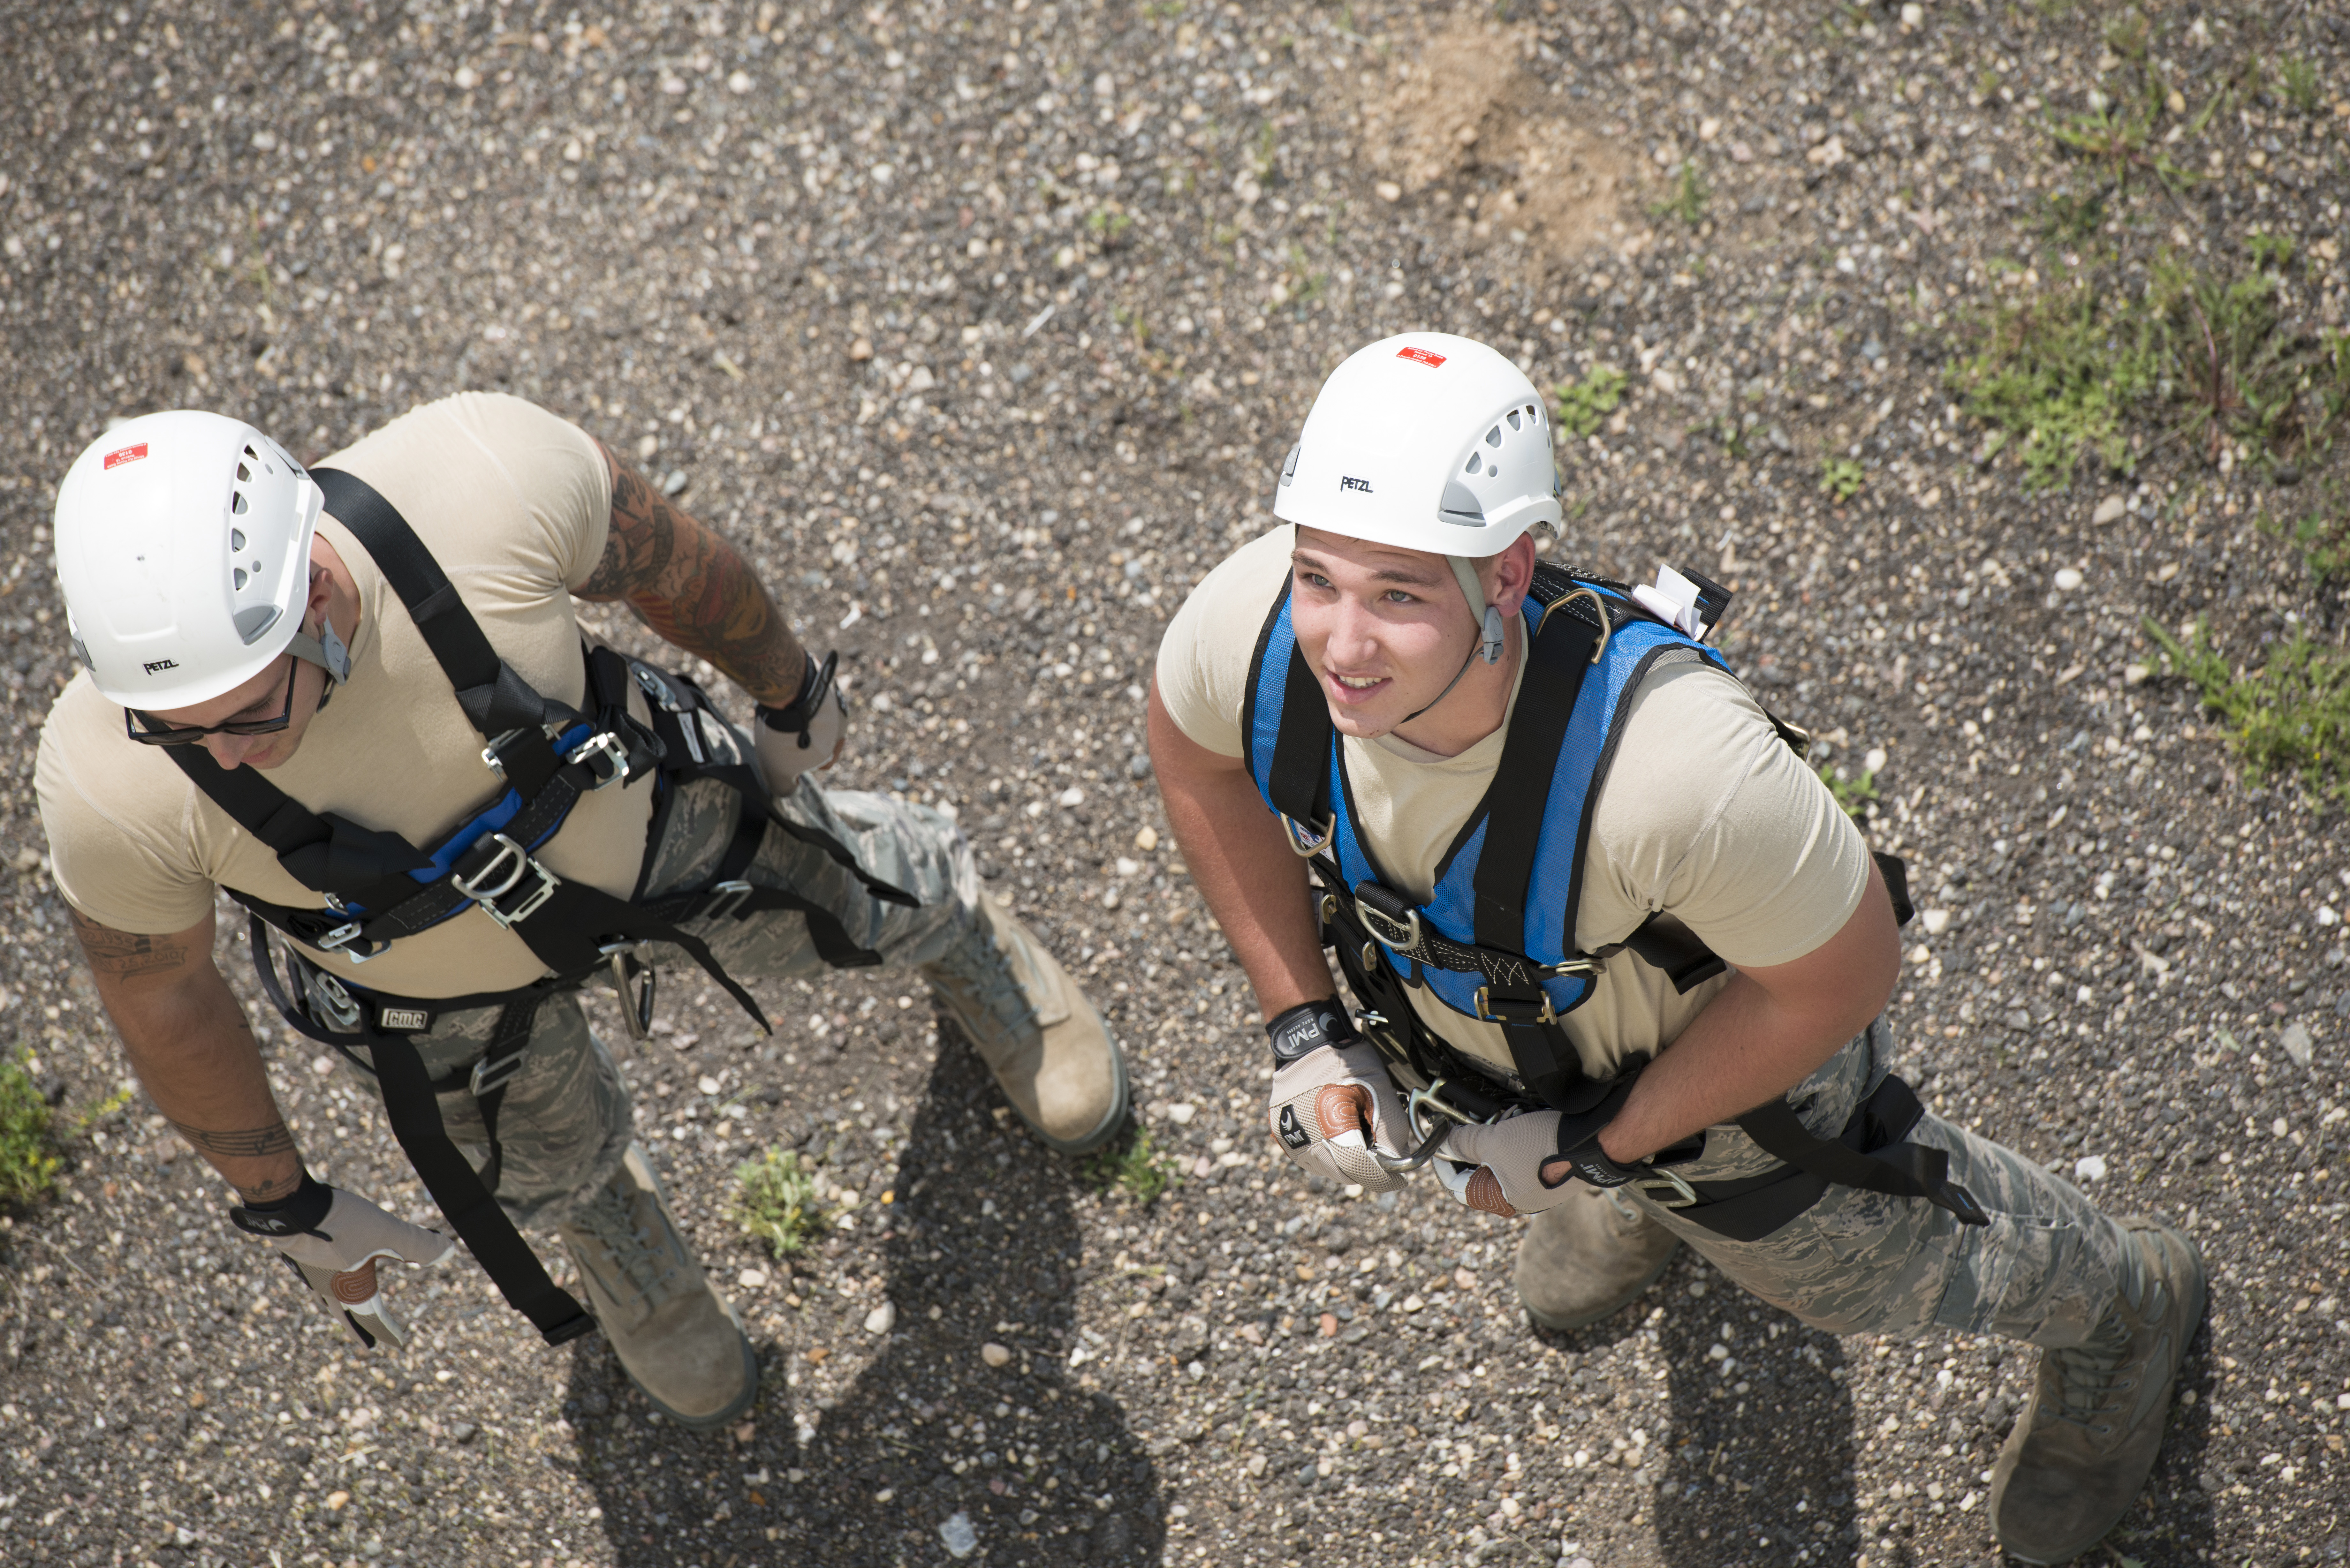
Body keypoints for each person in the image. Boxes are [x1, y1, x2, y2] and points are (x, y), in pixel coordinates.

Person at [1146, 332, 2202, 1565]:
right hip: (1526, 1050)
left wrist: (1597, 1144)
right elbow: (1193, 758)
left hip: (1734, 1073)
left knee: (1850, 1277)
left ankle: (2126, 1307)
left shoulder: (1677, 778)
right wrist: (1306, 1031)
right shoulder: (1260, 627)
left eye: (1401, 595)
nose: (1341, 645)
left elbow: (1844, 977)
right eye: (1321, 577)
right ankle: (1636, 1204)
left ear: (1507, 574)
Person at [36, 393, 1126, 1430]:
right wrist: (285, 1202)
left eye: (247, 709)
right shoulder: (108, 780)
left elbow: (678, 565)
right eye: (173, 729)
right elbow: (159, 989)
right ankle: (611, 1225)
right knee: (543, 1160)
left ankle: (961, 927)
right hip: (426, 999)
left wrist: (790, 694)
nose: (219, 755)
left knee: (860, 893)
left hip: (647, 838)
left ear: (312, 591)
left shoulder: (481, 481)